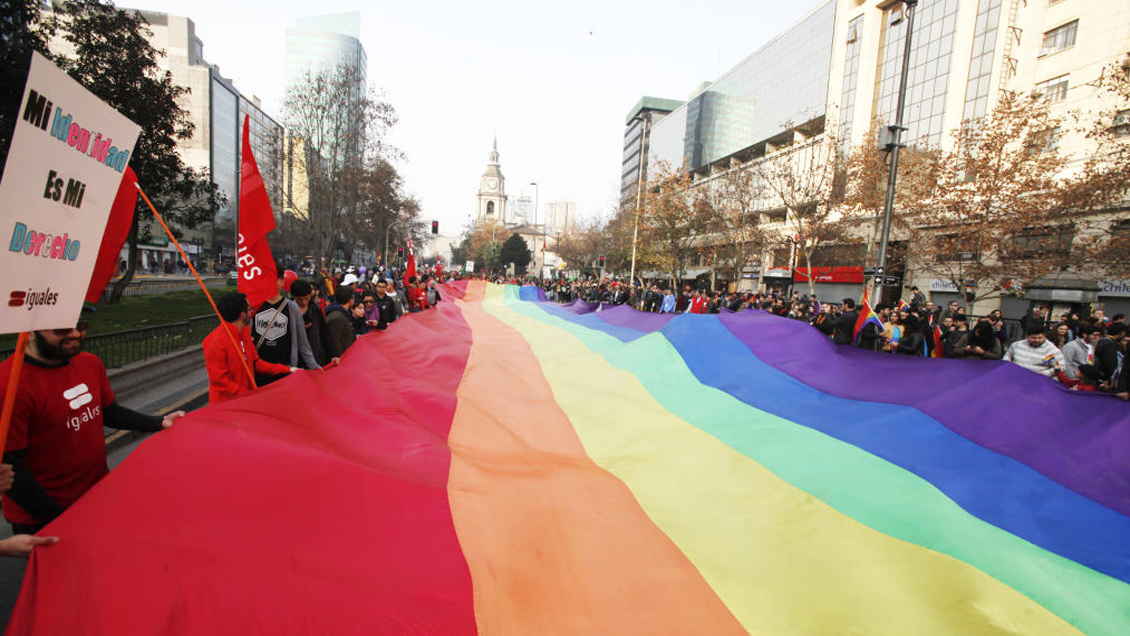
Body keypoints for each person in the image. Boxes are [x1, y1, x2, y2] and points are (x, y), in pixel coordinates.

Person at [0, 321, 185, 535]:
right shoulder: (8, 387)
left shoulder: (90, 363)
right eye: (62, 329)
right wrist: (60, 521)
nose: (75, 334)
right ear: (29, 332)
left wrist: (158, 422)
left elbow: (107, 410)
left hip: (96, 496)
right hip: (44, 517)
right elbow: (10, 468)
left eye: (80, 325)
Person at [204, 292, 297, 404]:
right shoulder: (214, 341)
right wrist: (248, 396)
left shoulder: (244, 333)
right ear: (242, 315)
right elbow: (220, 382)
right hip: (226, 406)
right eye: (249, 310)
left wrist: (288, 369)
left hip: (245, 401)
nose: (251, 313)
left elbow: (257, 363)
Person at [251, 271, 320, 385]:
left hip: (286, 367)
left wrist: (313, 366)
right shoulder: (254, 306)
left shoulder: (291, 307)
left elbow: (302, 341)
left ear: (282, 282)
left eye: (274, 279)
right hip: (259, 369)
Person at [325, 286, 358, 358]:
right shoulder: (337, 317)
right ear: (350, 299)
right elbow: (334, 343)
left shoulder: (342, 314)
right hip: (342, 358)